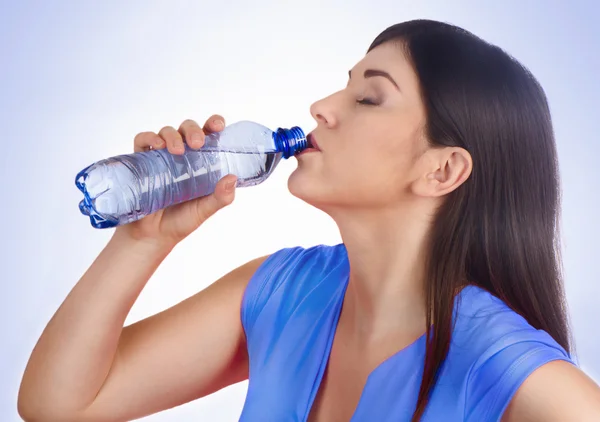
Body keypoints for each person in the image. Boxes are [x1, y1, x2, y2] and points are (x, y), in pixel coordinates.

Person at [17, 19, 600, 422]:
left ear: (442, 170)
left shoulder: (508, 372)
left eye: (368, 98)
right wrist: (143, 239)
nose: (322, 107)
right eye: (344, 87)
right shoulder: (283, 292)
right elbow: (59, 405)